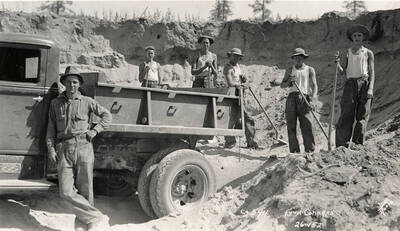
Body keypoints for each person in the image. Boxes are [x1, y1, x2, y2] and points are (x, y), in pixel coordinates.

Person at [46, 66, 112, 231]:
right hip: (63, 148)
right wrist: (51, 150)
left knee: (85, 189)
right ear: (64, 83)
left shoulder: (88, 102)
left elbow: (107, 116)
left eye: (75, 82)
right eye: (68, 82)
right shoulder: (55, 103)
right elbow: (50, 129)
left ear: (79, 84)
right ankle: (97, 217)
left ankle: (86, 226)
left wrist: (94, 131)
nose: (72, 85)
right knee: (66, 192)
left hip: (83, 146)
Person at [335, 24, 375, 148]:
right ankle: (342, 145)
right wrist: (337, 64)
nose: (357, 38)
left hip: (364, 83)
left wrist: (371, 88)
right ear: (352, 38)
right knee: (346, 114)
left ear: (363, 38)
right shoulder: (347, 52)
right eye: (355, 35)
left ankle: (358, 144)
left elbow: (372, 72)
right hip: (350, 84)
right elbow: (343, 72)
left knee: (362, 115)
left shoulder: (368, 53)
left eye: (359, 35)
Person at [280, 48, 318, 153]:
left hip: (305, 97)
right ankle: (294, 151)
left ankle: (309, 150)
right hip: (292, 98)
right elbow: (282, 85)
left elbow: (314, 86)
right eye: (295, 57)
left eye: (300, 57)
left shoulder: (310, 69)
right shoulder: (289, 70)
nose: (298, 59)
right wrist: (289, 81)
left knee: (307, 125)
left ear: (304, 58)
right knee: (291, 125)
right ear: (293, 59)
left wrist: (313, 99)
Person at [223, 48, 260, 149]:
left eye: (238, 56)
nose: (236, 58)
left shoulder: (238, 66)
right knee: (233, 118)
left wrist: (243, 80)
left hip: (240, 93)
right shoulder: (227, 67)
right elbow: (230, 83)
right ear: (230, 55)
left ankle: (251, 142)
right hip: (232, 94)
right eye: (234, 56)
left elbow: (240, 79)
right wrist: (241, 85)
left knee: (246, 117)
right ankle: (230, 142)